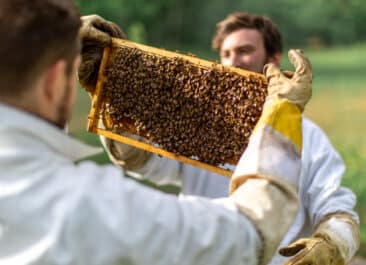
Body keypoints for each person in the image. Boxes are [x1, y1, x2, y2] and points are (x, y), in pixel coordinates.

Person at [0, 2, 313, 265]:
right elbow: (248, 234)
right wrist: (281, 115)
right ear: (55, 81)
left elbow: (139, 159)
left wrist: (118, 90)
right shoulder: (88, 207)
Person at [82, 12, 360, 265]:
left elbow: (337, 210)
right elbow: (139, 160)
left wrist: (332, 243)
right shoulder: (196, 122)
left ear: (273, 59)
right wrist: (115, 92)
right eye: (226, 53)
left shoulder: (308, 136)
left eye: (245, 51)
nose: (233, 61)